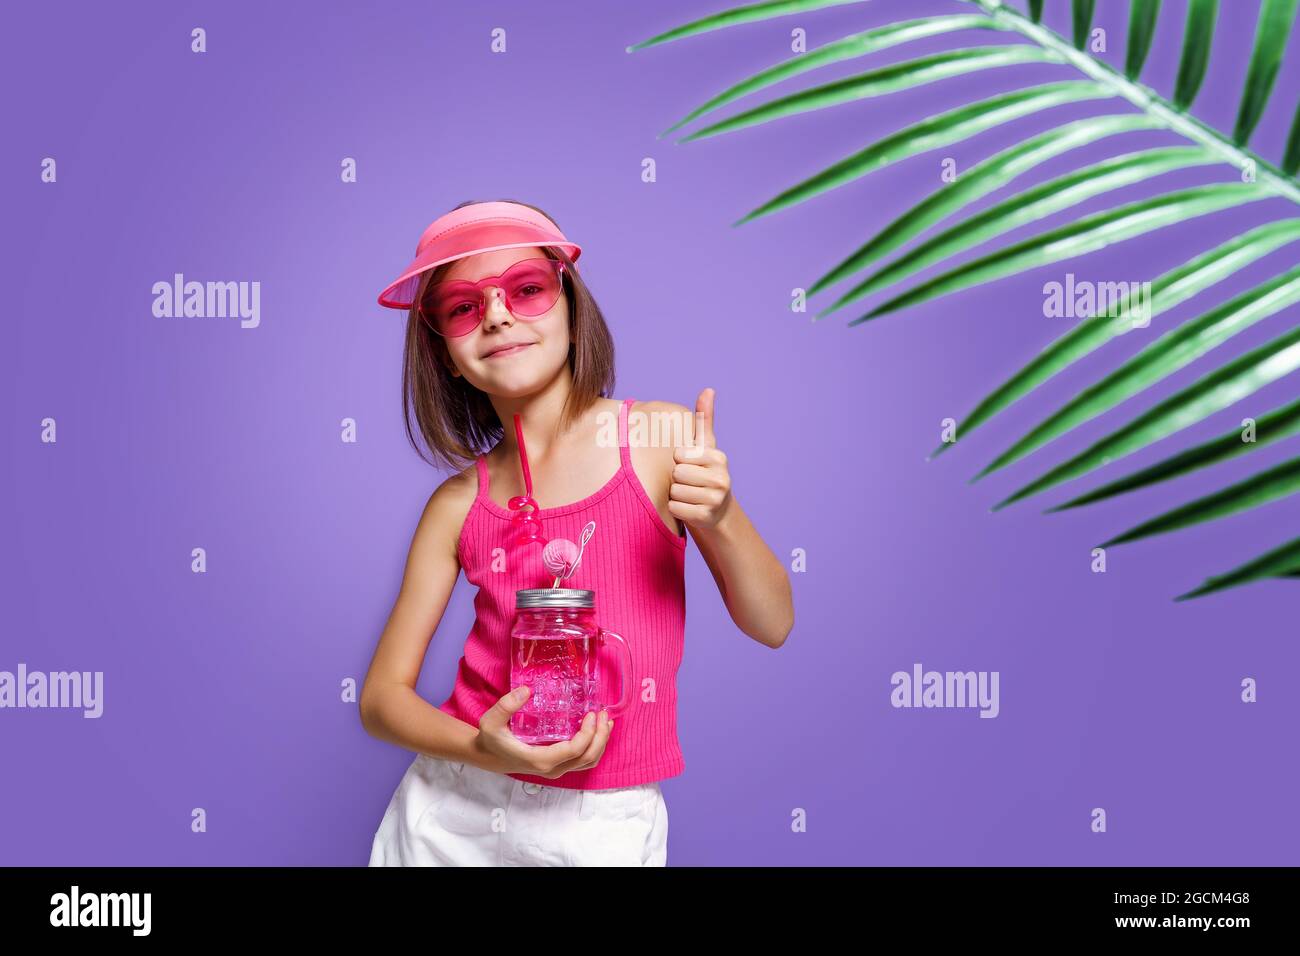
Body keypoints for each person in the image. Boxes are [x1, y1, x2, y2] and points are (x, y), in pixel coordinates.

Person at [361, 199, 793, 866]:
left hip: (601, 823)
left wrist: (722, 517)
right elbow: (380, 700)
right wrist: (480, 746)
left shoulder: (659, 440)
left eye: (527, 290)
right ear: (444, 353)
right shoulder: (456, 505)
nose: (499, 315)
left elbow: (773, 624)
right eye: (463, 308)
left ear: (571, 310)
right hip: (453, 812)